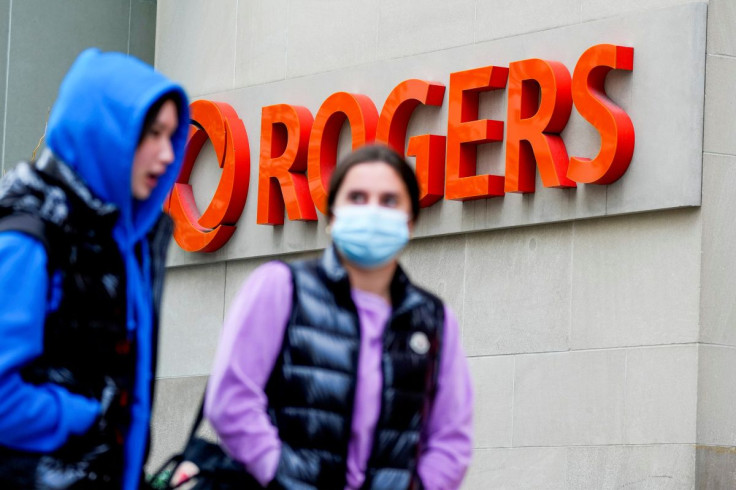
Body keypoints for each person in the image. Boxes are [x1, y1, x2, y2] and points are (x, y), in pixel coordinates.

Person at [204, 144, 474, 489]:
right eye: (357, 197)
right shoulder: (282, 287)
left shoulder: (434, 319)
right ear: (332, 215)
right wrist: (284, 475)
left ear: (411, 221)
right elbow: (232, 400)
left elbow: (452, 439)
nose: (372, 211)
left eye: (389, 200)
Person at [0, 48, 189, 489]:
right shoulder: (26, 239)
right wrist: (85, 417)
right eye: (152, 134)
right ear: (105, 131)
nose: (166, 155)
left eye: (171, 136)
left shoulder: (117, 244)